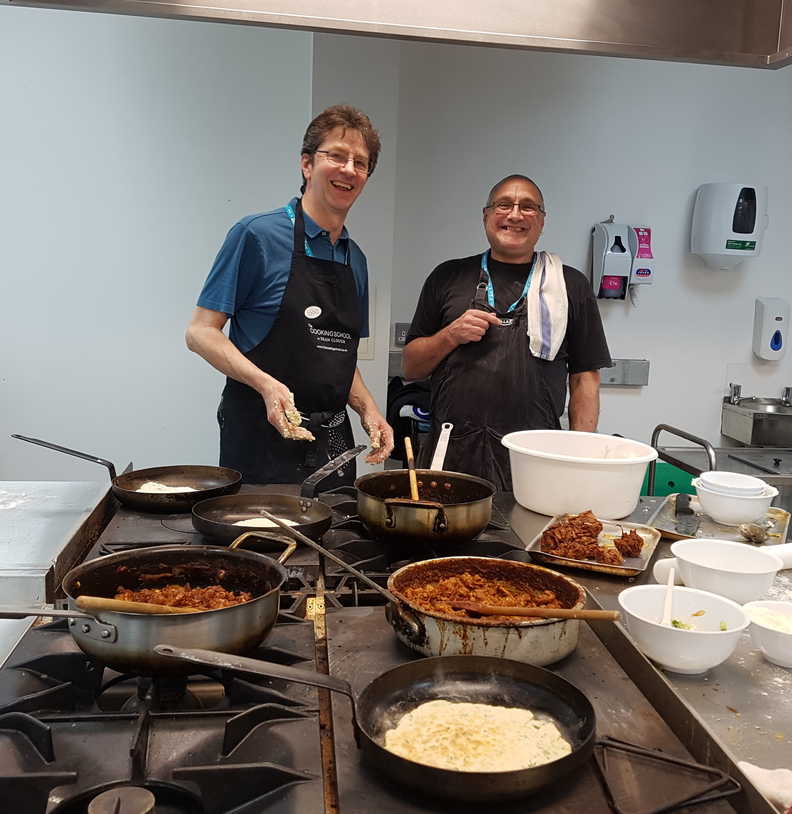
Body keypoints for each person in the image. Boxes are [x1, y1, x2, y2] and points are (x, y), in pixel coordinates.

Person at [186, 105, 394, 486]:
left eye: (360, 163)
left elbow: (336, 357)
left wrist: (369, 410)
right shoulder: (256, 236)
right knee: (260, 541)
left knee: (337, 540)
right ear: (307, 164)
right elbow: (200, 333)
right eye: (336, 155)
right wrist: (267, 384)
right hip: (259, 435)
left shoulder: (356, 260)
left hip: (333, 442)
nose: (348, 169)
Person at [402, 174, 611, 490]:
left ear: (541, 221)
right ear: (486, 215)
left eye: (528, 207)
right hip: (451, 454)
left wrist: (579, 459)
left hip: (535, 457)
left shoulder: (570, 285)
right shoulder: (448, 276)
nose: (515, 214)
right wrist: (451, 335)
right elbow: (411, 367)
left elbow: (584, 379)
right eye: (504, 205)